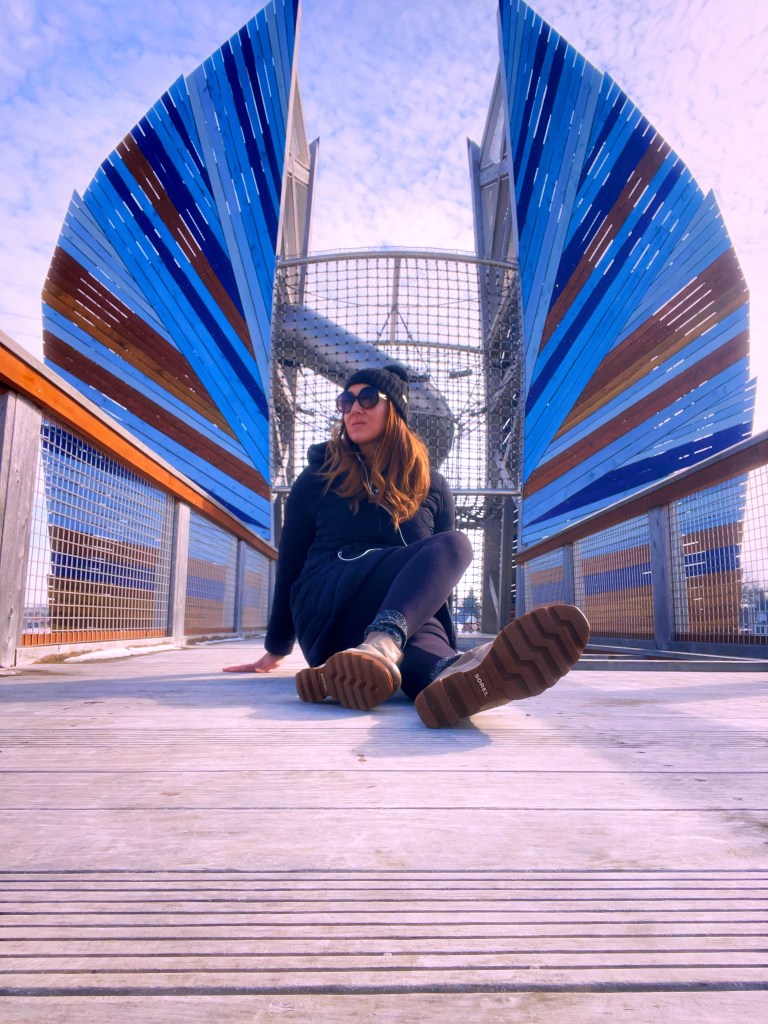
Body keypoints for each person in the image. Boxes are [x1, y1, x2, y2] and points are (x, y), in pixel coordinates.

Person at [223, 364, 589, 727]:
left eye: (368, 398)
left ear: (395, 410)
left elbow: (434, 578)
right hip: (330, 606)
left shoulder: (432, 485)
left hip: (391, 623)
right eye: (346, 401)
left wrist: (437, 633)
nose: (354, 409)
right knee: (454, 546)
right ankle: (391, 648)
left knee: (444, 581)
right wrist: (276, 648)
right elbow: (290, 564)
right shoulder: (317, 478)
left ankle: (454, 676)